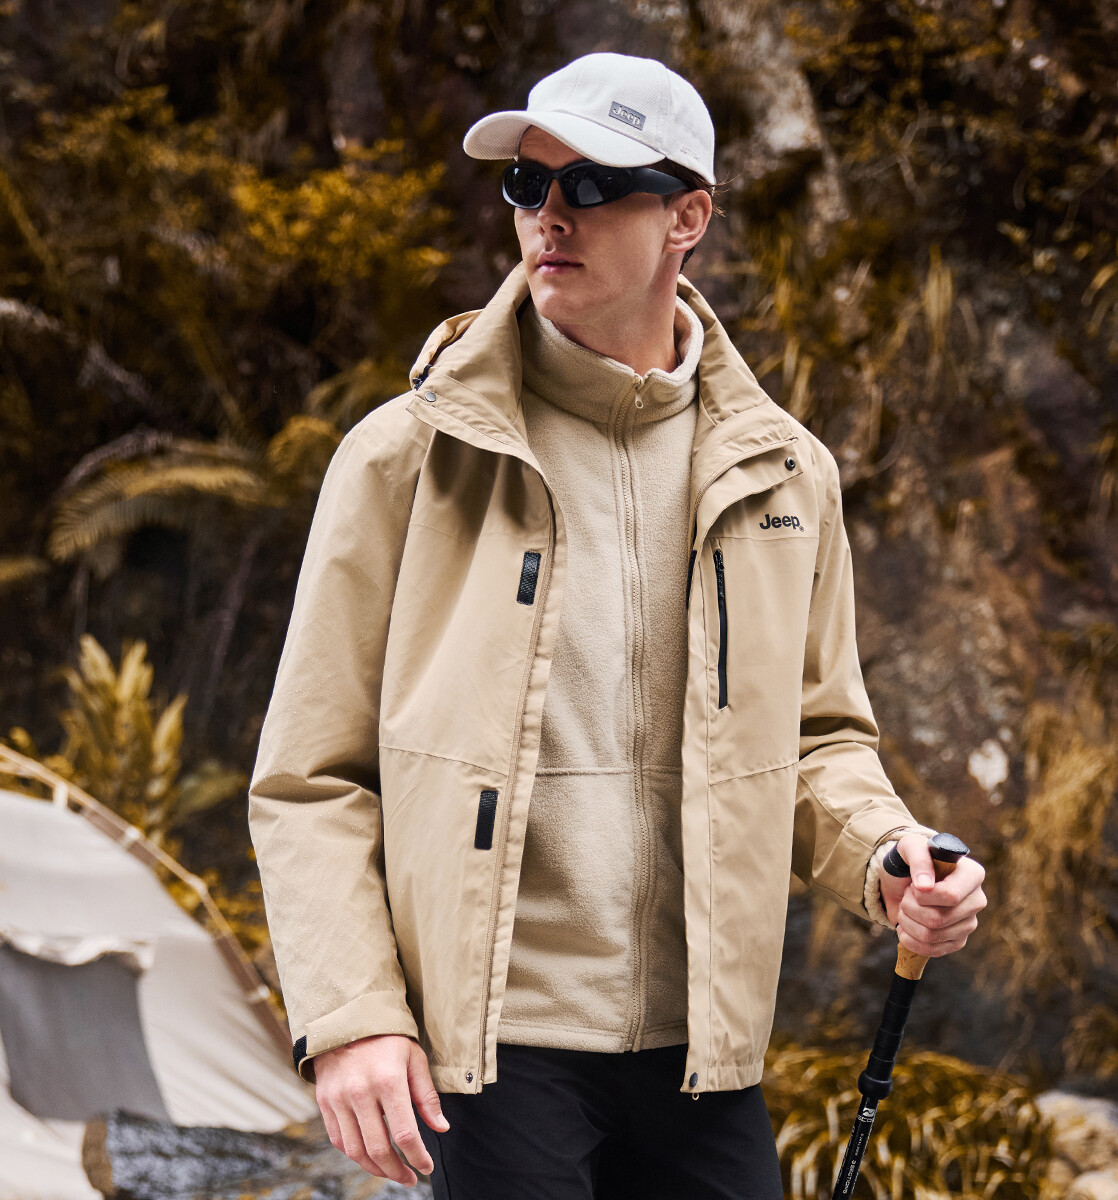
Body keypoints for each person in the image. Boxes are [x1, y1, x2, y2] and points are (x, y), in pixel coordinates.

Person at [247, 50, 988, 1199]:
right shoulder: (407, 456)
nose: (550, 216)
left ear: (688, 217)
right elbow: (311, 777)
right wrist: (352, 1015)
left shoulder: (786, 472)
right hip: (497, 1055)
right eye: (527, 186)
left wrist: (889, 857)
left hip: (705, 1053)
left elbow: (818, 738)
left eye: (591, 187)